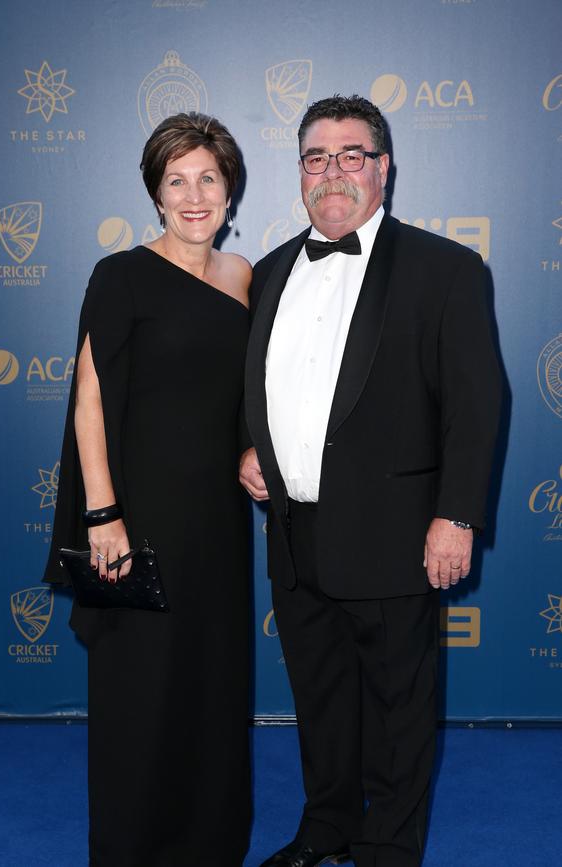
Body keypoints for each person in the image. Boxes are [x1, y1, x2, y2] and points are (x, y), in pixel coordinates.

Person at [239, 95, 501, 867]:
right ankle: (328, 824)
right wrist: (247, 447)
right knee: (320, 701)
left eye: (352, 155)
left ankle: (389, 846)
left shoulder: (445, 268)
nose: (333, 172)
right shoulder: (269, 271)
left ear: (384, 169)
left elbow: (477, 402)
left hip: (396, 532)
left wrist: (456, 515)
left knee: (397, 708)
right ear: (300, 173)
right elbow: (250, 384)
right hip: (294, 532)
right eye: (316, 157)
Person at [44, 112, 252, 867]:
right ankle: (133, 847)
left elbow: (247, 395)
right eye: (177, 180)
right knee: (140, 690)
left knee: (212, 682)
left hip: (218, 523)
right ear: (156, 194)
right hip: (137, 514)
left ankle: (209, 841)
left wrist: (255, 447)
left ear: (229, 192)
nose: (194, 195)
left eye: (208, 178)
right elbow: (89, 399)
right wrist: (104, 513)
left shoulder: (245, 277)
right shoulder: (121, 274)